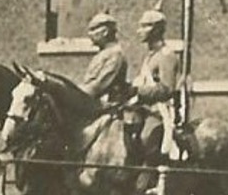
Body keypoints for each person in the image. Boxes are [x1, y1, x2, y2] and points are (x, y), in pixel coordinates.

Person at [128, 8, 186, 163]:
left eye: (145, 26)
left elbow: (166, 90)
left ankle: (153, 178)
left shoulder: (166, 55)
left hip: (162, 111)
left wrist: (137, 91)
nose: (139, 31)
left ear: (157, 30)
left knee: (147, 137)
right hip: (146, 108)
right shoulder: (151, 56)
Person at [75, 12, 130, 106]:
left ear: (105, 32)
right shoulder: (102, 54)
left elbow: (98, 86)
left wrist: (74, 93)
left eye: (93, 30)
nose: (89, 34)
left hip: (110, 107)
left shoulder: (115, 54)